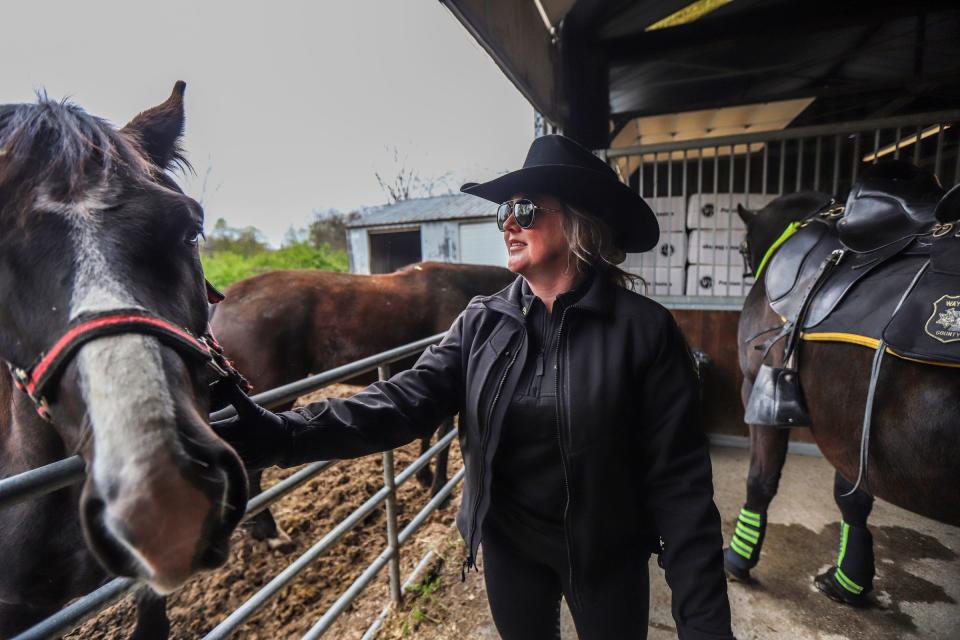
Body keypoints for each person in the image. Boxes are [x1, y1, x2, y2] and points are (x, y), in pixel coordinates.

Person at [213, 134, 734, 640]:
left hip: (607, 556)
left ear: (581, 221)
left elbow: (681, 485)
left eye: (525, 210)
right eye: (503, 211)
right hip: (511, 551)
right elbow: (404, 400)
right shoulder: (481, 322)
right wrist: (285, 434)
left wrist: (705, 625)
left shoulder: (645, 331)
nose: (508, 223)